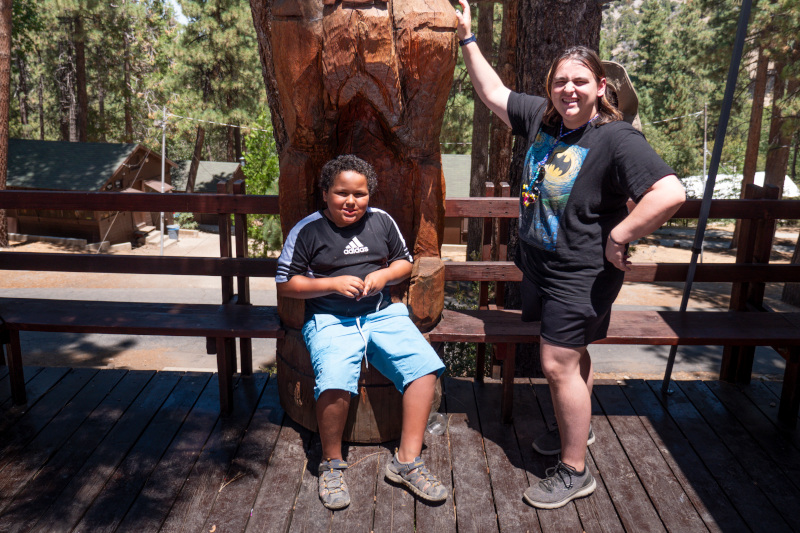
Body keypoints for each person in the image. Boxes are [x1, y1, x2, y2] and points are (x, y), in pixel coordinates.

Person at [454, 0, 686, 509]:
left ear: (601, 87)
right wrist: (468, 38)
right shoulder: (544, 118)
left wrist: (619, 235)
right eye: (561, 81)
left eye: (581, 81)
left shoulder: (616, 137)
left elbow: (670, 193)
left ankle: (574, 469)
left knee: (556, 361)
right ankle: (572, 434)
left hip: (580, 271)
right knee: (573, 354)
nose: (569, 90)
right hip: (543, 264)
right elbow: (492, 92)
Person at [276, 154, 447, 510]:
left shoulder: (381, 222)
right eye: (341, 193)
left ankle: (407, 461)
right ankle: (332, 463)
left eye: (360, 194)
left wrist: (383, 276)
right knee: (335, 377)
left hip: (381, 314)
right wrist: (331, 284)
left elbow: (404, 262)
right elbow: (286, 283)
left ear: (369, 195)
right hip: (329, 319)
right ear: (325, 194)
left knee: (424, 368)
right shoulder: (308, 230)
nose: (351, 202)